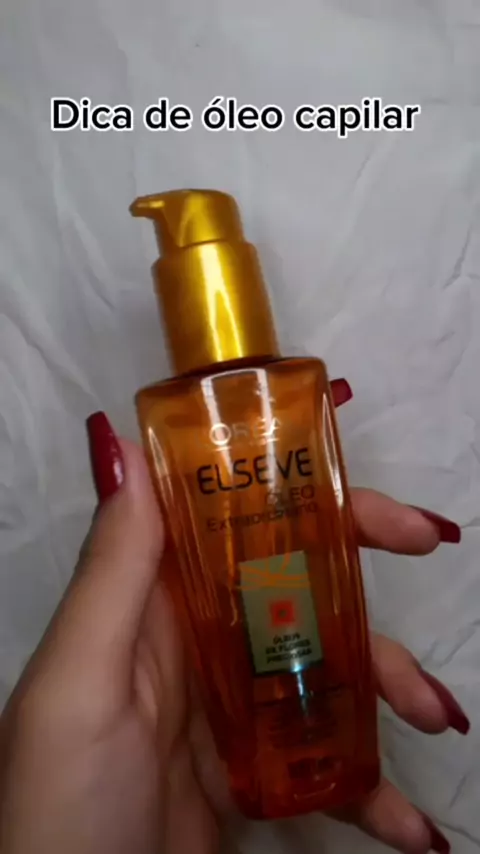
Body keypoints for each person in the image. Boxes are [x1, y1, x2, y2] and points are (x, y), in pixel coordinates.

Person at [0, 390, 468, 854]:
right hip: (202, 753)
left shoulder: (278, 390)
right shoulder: (171, 413)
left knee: (304, 587)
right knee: (295, 584)